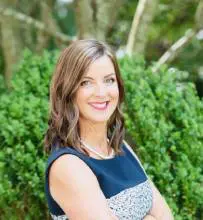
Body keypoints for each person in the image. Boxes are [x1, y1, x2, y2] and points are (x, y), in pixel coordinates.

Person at [44, 39, 174, 220]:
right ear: (67, 90)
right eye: (86, 82)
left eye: (109, 80)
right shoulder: (68, 165)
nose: (101, 92)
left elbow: (166, 216)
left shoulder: (121, 148)